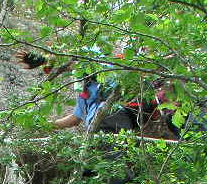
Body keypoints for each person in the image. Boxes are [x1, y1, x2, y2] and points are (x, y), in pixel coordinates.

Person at [15, 48, 179, 139]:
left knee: (110, 156)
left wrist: (43, 59)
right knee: (104, 158)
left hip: (115, 115)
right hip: (102, 121)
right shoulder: (82, 90)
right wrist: (45, 125)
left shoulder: (106, 69)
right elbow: (74, 119)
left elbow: (80, 59)